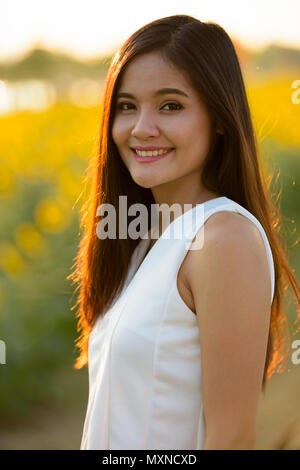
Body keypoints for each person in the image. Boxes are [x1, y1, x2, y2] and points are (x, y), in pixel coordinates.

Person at [68, 15, 300, 450]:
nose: (141, 128)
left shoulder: (224, 239)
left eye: (170, 105)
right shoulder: (143, 238)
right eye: (126, 106)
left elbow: (230, 441)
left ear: (219, 118)